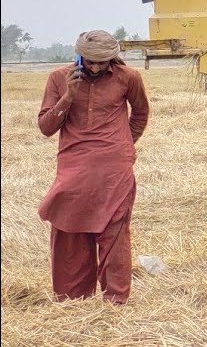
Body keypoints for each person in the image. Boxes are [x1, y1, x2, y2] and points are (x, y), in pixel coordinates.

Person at [37, 30, 149, 305]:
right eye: (90, 61)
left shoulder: (129, 77)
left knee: (114, 233)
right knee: (69, 230)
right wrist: (68, 97)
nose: (97, 67)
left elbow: (141, 112)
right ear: (78, 56)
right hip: (73, 168)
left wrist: (124, 144)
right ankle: (74, 300)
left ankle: (115, 302)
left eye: (104, 61)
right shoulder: (58, 78)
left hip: (115, 167)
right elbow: (46, 128)